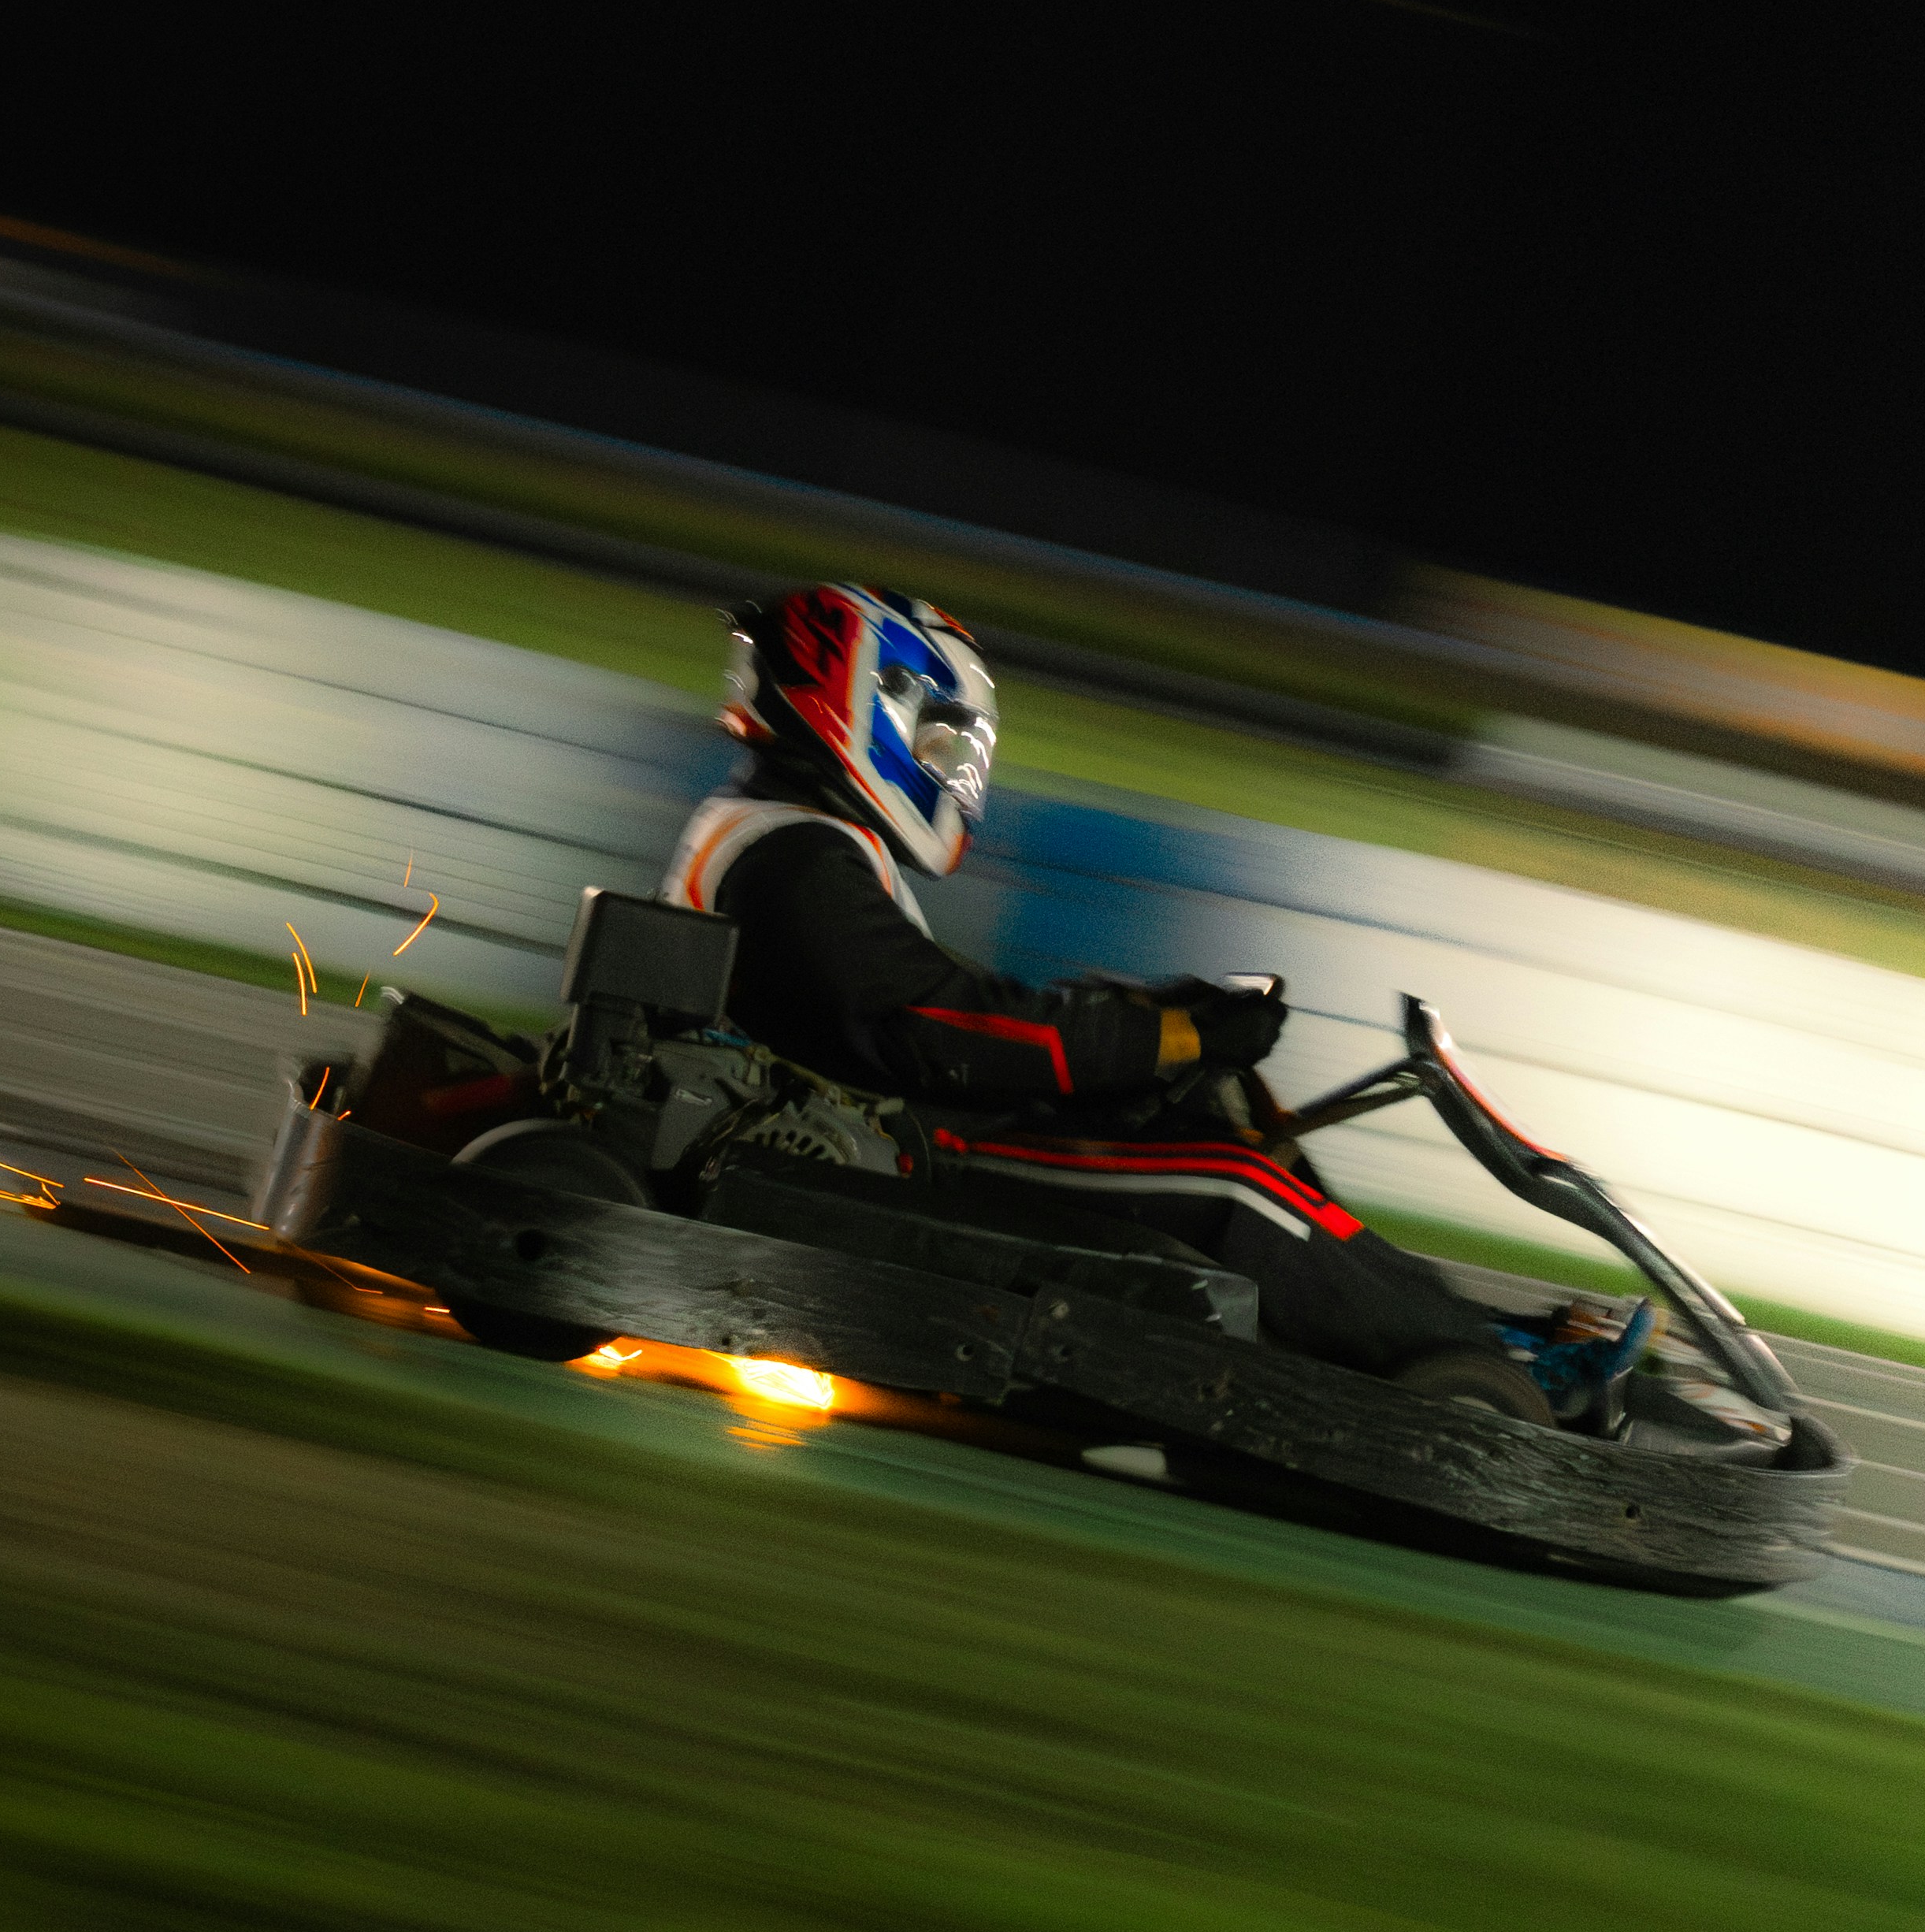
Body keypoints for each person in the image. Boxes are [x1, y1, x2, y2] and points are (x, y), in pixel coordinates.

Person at [660, 582, 1642, 1395]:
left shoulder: (782, 831)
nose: (947, 772)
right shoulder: (794, 856)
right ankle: (1478, 1378)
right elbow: (940, 1031)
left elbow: (937, 1012)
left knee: (1221, 1115)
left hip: (880, 1127)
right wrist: (1162, 1035)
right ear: (861, 702)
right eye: (937, 740)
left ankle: (1467, 1338)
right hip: (884, 1156)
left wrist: (1158, 1032)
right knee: (1233, 1189)